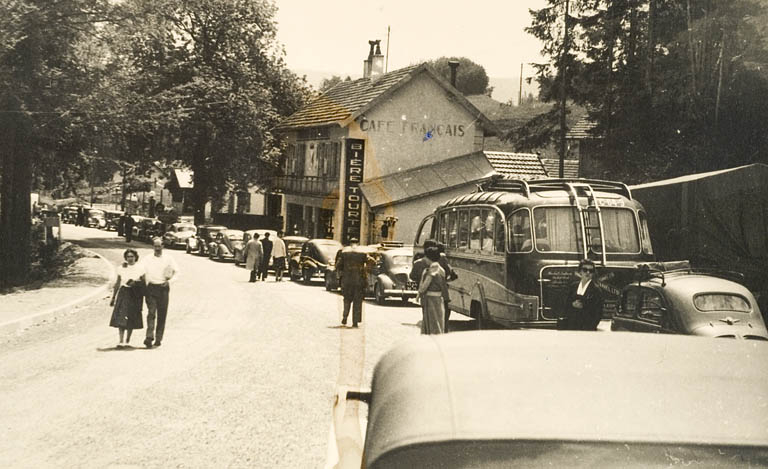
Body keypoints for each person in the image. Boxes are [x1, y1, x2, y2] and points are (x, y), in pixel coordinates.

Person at [141, 237, 179, 348]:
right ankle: (149, 337)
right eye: (155, 246)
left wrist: (170, 282)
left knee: (162, 315)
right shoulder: (147, 258)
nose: (157, 248)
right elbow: (139, 268)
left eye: (159, 246)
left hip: (163, 288)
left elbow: (177, 272)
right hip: (151, 288)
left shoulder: (169, 258)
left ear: (163, 246)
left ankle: (158, 338)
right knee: (151, 313)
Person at [410, 239, 456, 330]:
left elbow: (419, 280)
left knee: (431, 321)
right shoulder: (442, 261)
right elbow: (453, 274)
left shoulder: (422, 263)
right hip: (442, 295)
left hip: (430, 297)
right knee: (440, 320)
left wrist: (419, 292)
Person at [109, 249, 145, 347]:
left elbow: (144, 283)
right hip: (124, 292)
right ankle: (121, 340)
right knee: (121, 315)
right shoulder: (121, 268)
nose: (130, 258)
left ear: (135, 257)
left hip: (135, 294)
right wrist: (113, 297)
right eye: (128, 256)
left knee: (132, 316)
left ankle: (128, 340)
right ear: (125, 258)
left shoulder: (140, 268)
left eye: (132, 256)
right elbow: (118, 282)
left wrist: (136, 284)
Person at [558, 259, 603, 331]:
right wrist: (572, 304)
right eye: (585, 270)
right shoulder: (573, 286)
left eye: (591, 271)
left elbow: (598, 313)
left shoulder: (596, 290)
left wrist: (583, 306)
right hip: (571, 326)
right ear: (580, 271)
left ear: (593, 273)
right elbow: (565, 305)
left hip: (586, 328)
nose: (588, 272)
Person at [336, 240, 370, 328]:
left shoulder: (344, 253)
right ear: (358, 244)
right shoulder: (362, 253)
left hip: (347, 281)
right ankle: (355, 322)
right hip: (359, 282)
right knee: (357, 302)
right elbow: (372, 262)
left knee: (346, 300)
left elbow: (338, 266)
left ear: (350, 244)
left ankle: (345, 317)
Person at [417, 246, 449, 335]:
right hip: (439, 299)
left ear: (429, 257)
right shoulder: (441, 269)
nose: (424, 259)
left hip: (431, 299)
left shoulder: (432, 269)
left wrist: (420, 292)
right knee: (438, 321)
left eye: (426, 256)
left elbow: (424, 286)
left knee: (432, 322)